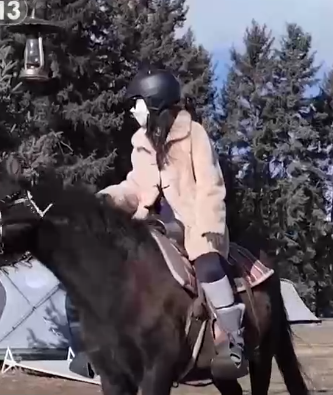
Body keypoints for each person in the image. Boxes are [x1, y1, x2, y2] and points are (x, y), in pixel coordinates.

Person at [98, 68, 247, 379]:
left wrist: (209, 227)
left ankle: (233, 341)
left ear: (154, 101)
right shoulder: (141, 142)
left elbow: (211, 185)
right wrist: (108, 198)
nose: (131, 110)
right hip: (156, 225)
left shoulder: (194, 135)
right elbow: (136, 187)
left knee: (208, 267)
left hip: (197, 225)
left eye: (136, 102)